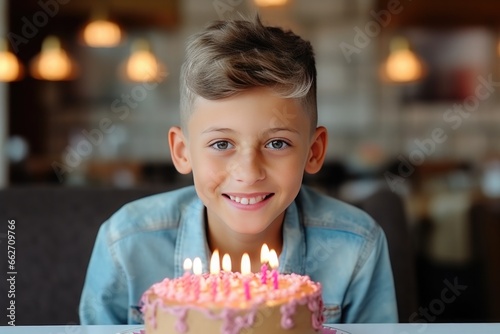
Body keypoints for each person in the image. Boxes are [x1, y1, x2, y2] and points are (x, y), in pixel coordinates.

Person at [79, 15, 398, 325]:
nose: (248, 173)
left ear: (314, 152)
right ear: (182, 151)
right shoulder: (126, 245)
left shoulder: (355, 247)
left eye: (277, 144)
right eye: (221, 144)